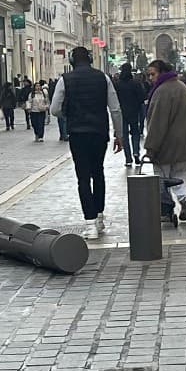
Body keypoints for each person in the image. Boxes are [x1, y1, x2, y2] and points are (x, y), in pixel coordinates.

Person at [49, 47, 123, 240]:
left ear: (72, 61)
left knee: (83, 177)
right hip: (99, 132)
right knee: (98, 173)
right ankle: (99, 216)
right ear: (90, 59)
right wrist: (119, 134)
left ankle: (89, 222)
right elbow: (115, 108)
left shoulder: (65, 80)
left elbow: (54, 109)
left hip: (78, 133)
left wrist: (68, 114)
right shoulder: (103, 78)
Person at [143, 59, 186, 222]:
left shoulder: (162, 91)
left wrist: (151, 147)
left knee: (162, 177)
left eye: (153, 74)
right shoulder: (181, 86)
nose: (150, 78)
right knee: (179, 173)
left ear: (161, 72)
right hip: (184, 140)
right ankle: (184, 199)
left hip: (166, 143)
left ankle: (166, 209)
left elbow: (157, 123)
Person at [114, 61, 149, 169]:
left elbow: (115, 99)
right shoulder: (135, 83)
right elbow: (142, 97)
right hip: (134, 112)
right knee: (135, 133)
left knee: (124, 135)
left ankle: (128, 158)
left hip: (122, 113)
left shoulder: (118, 84)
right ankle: (136, 153)